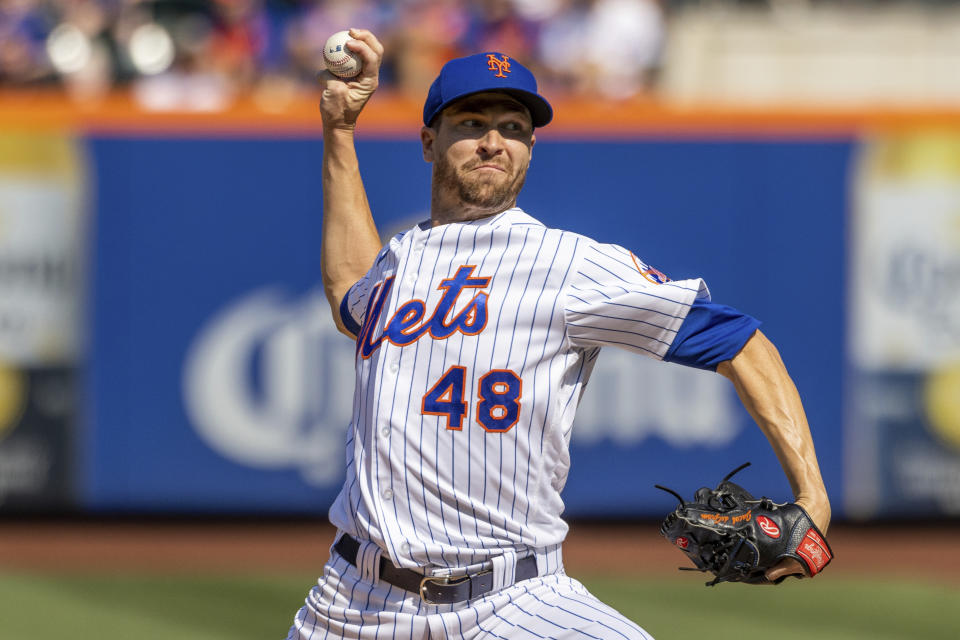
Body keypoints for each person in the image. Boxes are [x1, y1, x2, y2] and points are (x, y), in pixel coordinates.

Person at [288, 28, 831, 640]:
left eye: (514, 128)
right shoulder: (398, 261)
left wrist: (812, 494)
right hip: (352, 602)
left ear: (530, 148)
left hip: (512, 599)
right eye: (471, 123)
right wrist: (339, 130)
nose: (494, 143)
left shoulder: (570, 264)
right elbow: (350, 298)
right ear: (428, 141)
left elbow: (741, 343)